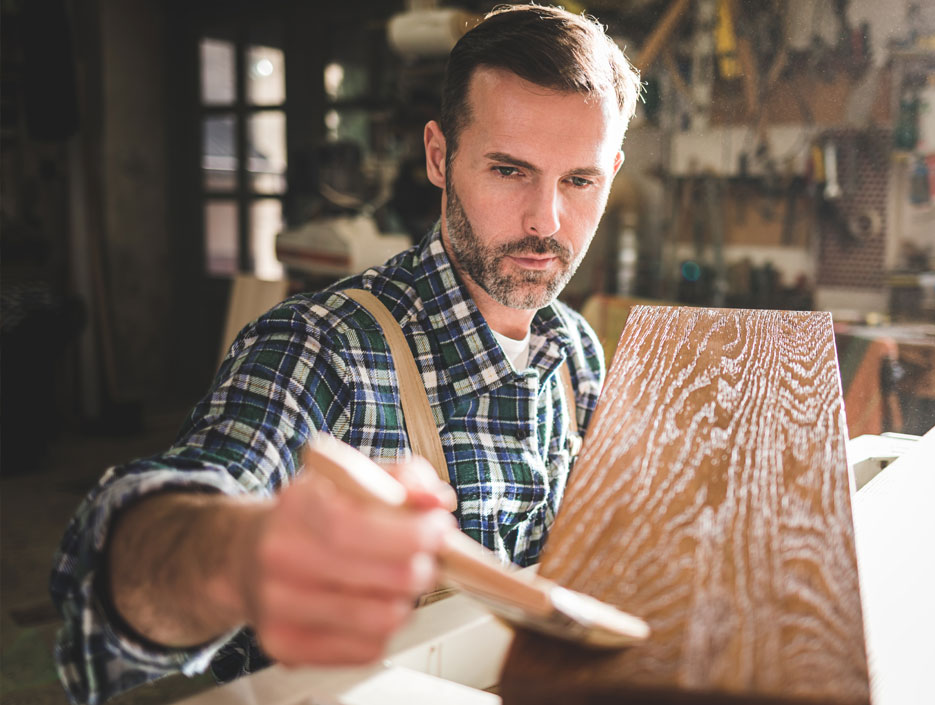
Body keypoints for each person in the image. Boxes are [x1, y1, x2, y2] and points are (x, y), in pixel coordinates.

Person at [50, 5, 641, 703]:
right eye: (510, 169)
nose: (547, 220)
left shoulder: (576, 355)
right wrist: (240, 555)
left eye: (579, 180)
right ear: (438, 155)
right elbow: (110, 577)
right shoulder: (323, 349)